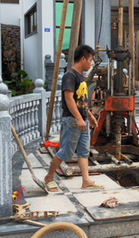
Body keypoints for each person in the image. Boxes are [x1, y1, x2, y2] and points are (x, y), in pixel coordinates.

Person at [44, 44, 104, 192]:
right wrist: (78, 118)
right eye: (90, 60)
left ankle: (86, 180)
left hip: (81, 120)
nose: (91, 64)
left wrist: (89, 116)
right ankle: (49, 177)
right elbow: (69, 98)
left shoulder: (81, 77)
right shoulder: (69, 76)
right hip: (72, 121)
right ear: (83, 59)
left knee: (84, 151)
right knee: (65, 152)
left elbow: (82, 101)